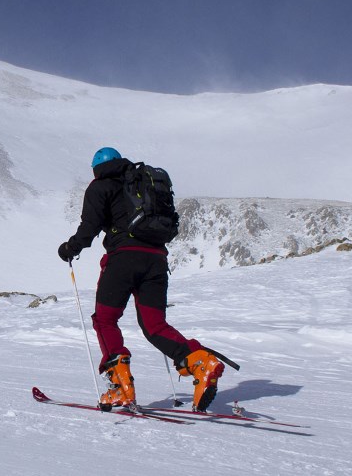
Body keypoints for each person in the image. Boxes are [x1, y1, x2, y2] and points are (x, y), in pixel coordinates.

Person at [57, 147, 226, 412]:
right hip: (156, 260)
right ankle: (200, 362)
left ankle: (120, 387)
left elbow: (88, 228)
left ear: (96, 169)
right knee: (155, 325)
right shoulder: (140, 182)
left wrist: (69, 248)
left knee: (105, 319)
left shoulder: (101, 187)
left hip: (123, 260)